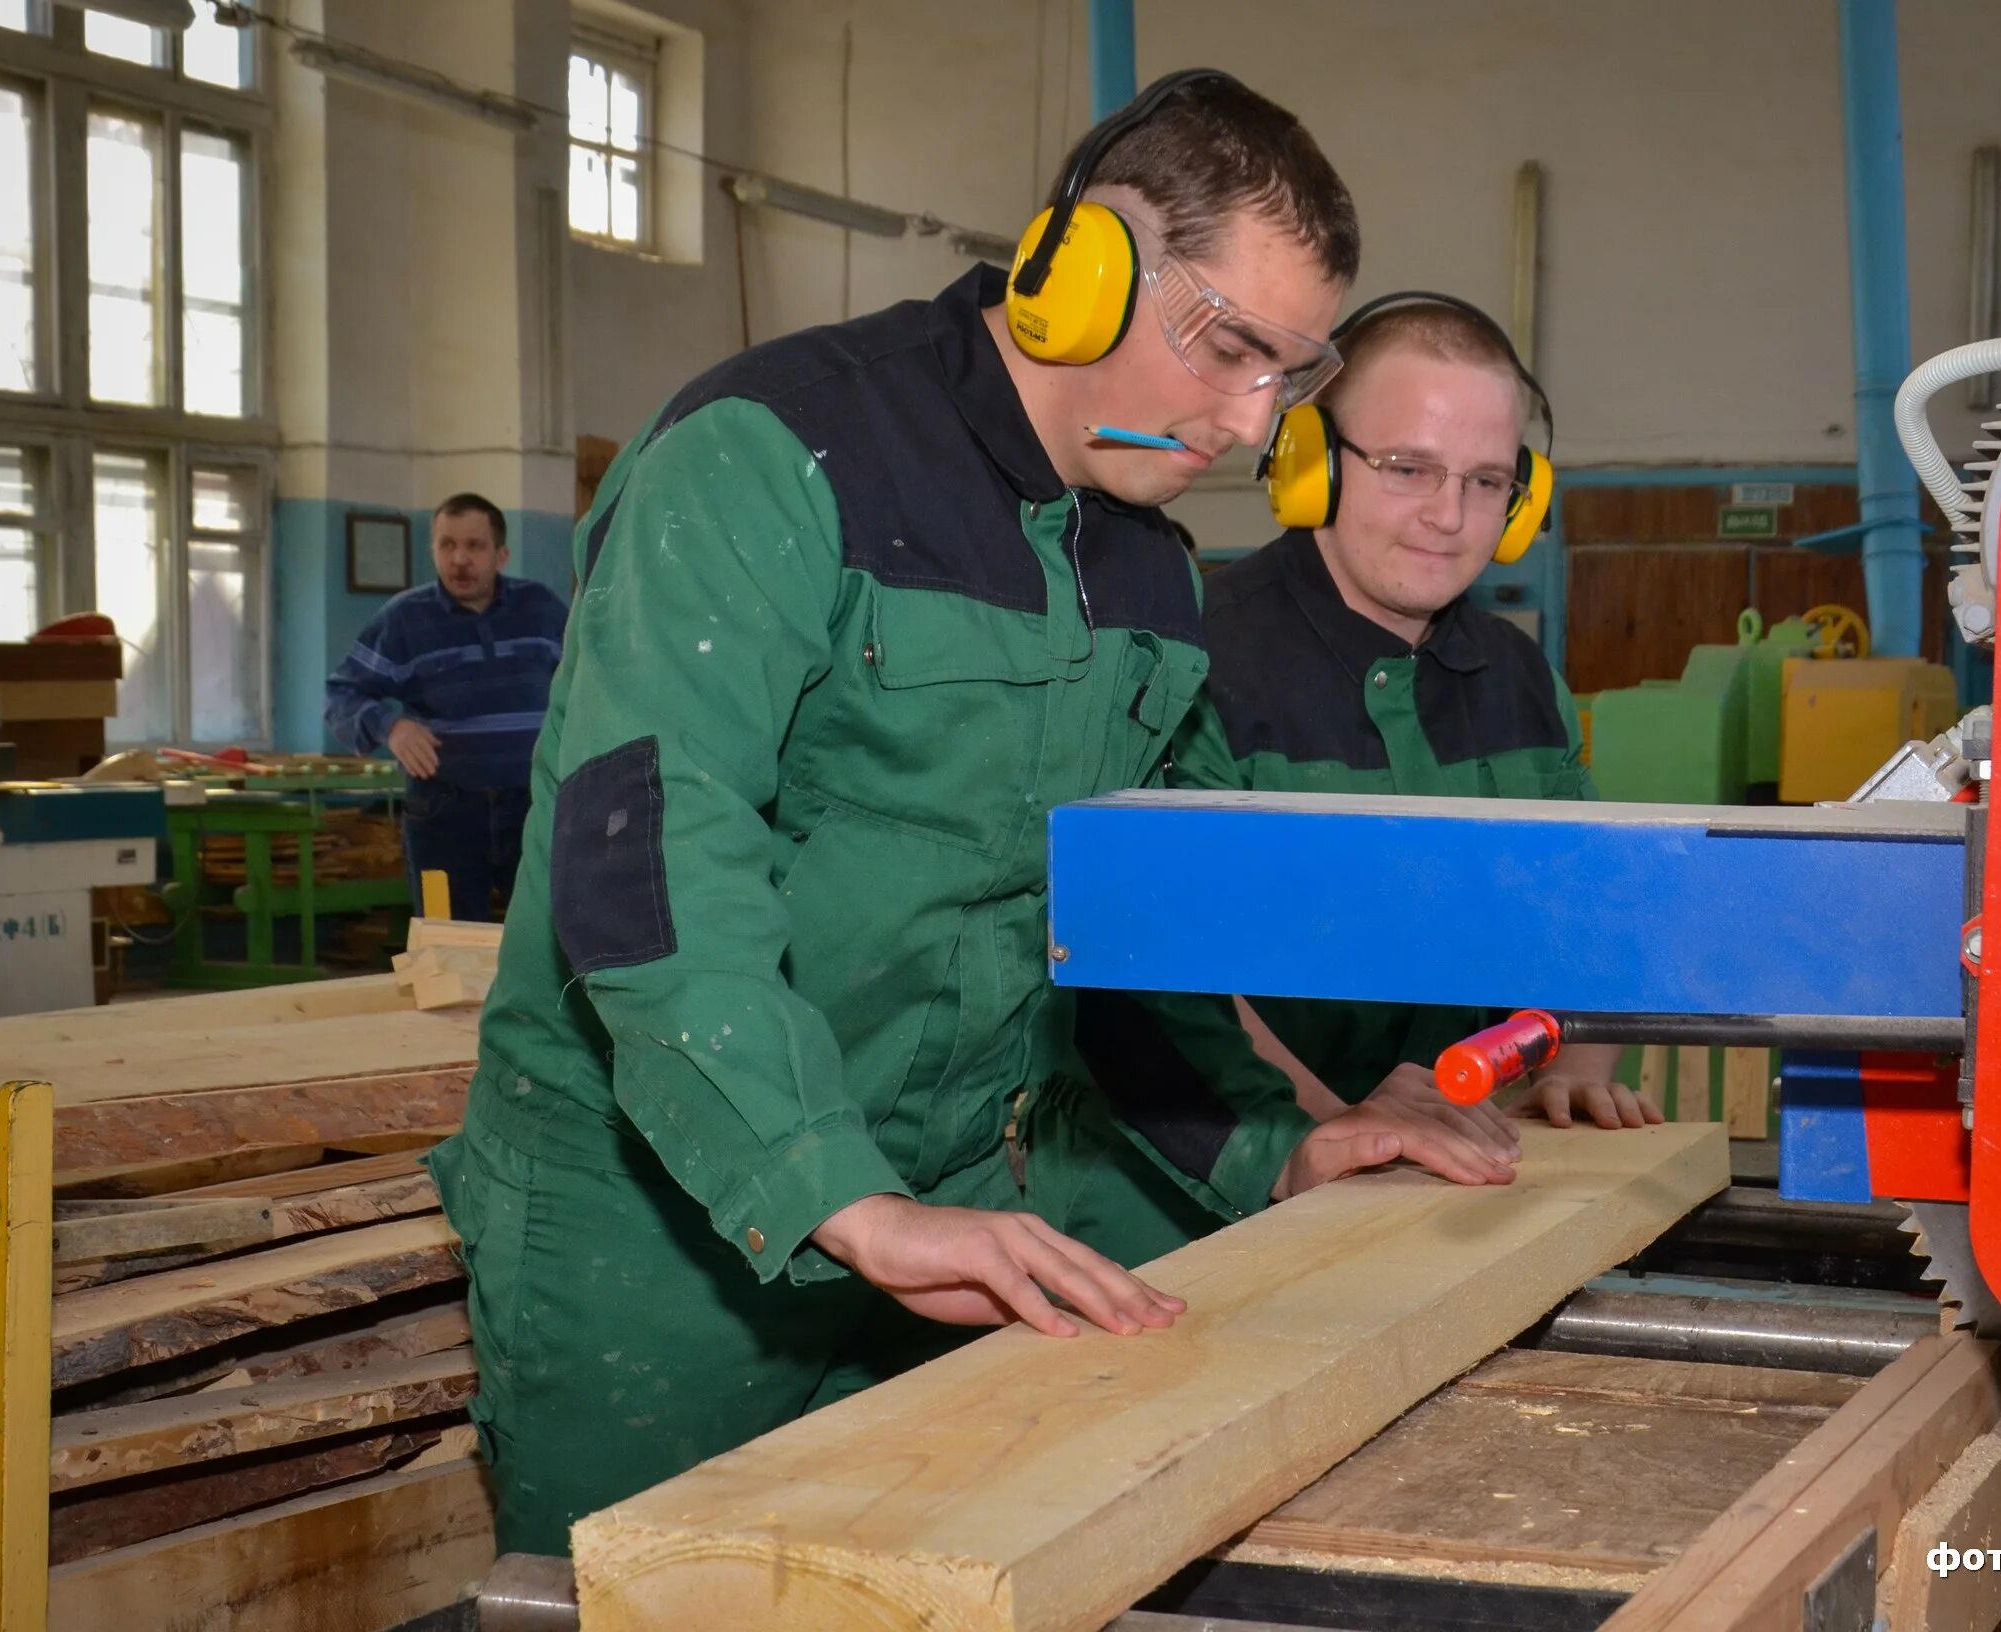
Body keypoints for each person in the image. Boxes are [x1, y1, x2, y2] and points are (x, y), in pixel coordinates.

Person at [425, 72, 1513, 1557]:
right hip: (666, 1229)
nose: (1257, 426)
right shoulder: (773, 456)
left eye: (1293, 376)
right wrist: (844, 1200)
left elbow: (1131, 919)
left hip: (969, 1191)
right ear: (1082, 271)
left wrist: (1286, 1147)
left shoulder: (1142, 565)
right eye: (1232, 349)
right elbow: (647, 871)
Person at [1037, 293, 1664, 1271]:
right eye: (1406, 467)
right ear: (1307, 461)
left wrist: (1570, 1069)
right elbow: (1157, 972)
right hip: (1193, 1222)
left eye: (1486, 481)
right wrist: (1332, 1132)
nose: (1448, 516)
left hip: (1448, 1202)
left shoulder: (1514, 675)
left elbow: (1578, 903)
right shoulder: (1193, 657)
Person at [323, 494, 567, 921]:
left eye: (474, 546)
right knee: (447, 946)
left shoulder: (542, 611)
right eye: (447, 545)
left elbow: (590, 683)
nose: (459, 560)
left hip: (534, 808)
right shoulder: (404, 620)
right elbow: (341, 695)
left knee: (545, 942)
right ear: (432, 550)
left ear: (501, 554)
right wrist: (391, 726)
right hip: (445, 813)